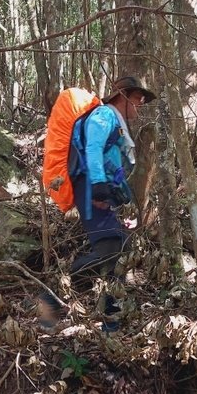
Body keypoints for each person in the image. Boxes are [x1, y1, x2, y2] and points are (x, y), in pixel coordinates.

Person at [65, 75, 156, 325]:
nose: (140, 104)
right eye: (137, 98)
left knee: (123, 245)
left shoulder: (116, 123)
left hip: (101, 191)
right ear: (123, 96)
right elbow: (93, 148)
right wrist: (99, 187)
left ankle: (112, 307)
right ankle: (69, 282)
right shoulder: (104, 116)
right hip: (90, 190)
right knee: (109, 249)